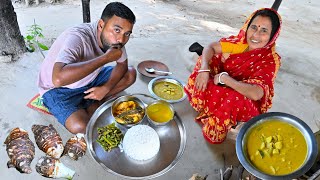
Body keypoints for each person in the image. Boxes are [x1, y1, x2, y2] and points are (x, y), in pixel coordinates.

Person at [184, 8, 282, 144]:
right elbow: (210, 47)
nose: (255, 35)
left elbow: (256, 93)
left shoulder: (269, 61)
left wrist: (225, 79)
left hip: (243, 100)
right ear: (247, 26)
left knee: (233, 98)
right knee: (205, 61)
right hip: (222, 83)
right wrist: (205, 68)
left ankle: (219, 122)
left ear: (272, 36)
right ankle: (206, 102)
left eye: (264, 30)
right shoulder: (240, 43)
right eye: (253, 27)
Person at [37, 2, 136, 134]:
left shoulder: (116, 40)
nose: (121, 39)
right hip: (58, 90)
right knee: (81, 126)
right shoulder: (78, 37)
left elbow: (122, 65)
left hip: (89, 80)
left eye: (127, 34)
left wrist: (106, 88)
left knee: (130, 74)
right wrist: (106, 58)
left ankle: (95, 98)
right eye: (117, 30)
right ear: (101, 25)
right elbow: (58, 79)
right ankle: (90, 103)